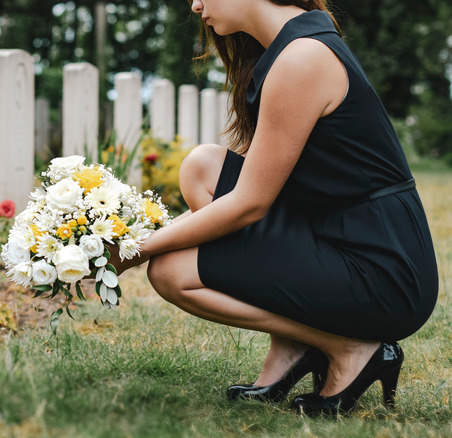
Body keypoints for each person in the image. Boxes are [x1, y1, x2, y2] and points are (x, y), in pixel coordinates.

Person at [111, 0, 439, 416]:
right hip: (334, 232)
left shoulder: (302, 58)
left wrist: (139, 250)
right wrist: (134, 237)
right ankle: (295, 342)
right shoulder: (284, 50)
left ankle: (349, 347)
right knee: (202, 168)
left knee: (171, 271)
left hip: (382, 267)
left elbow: (248, 205)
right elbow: (243, 187)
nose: (195, 5)